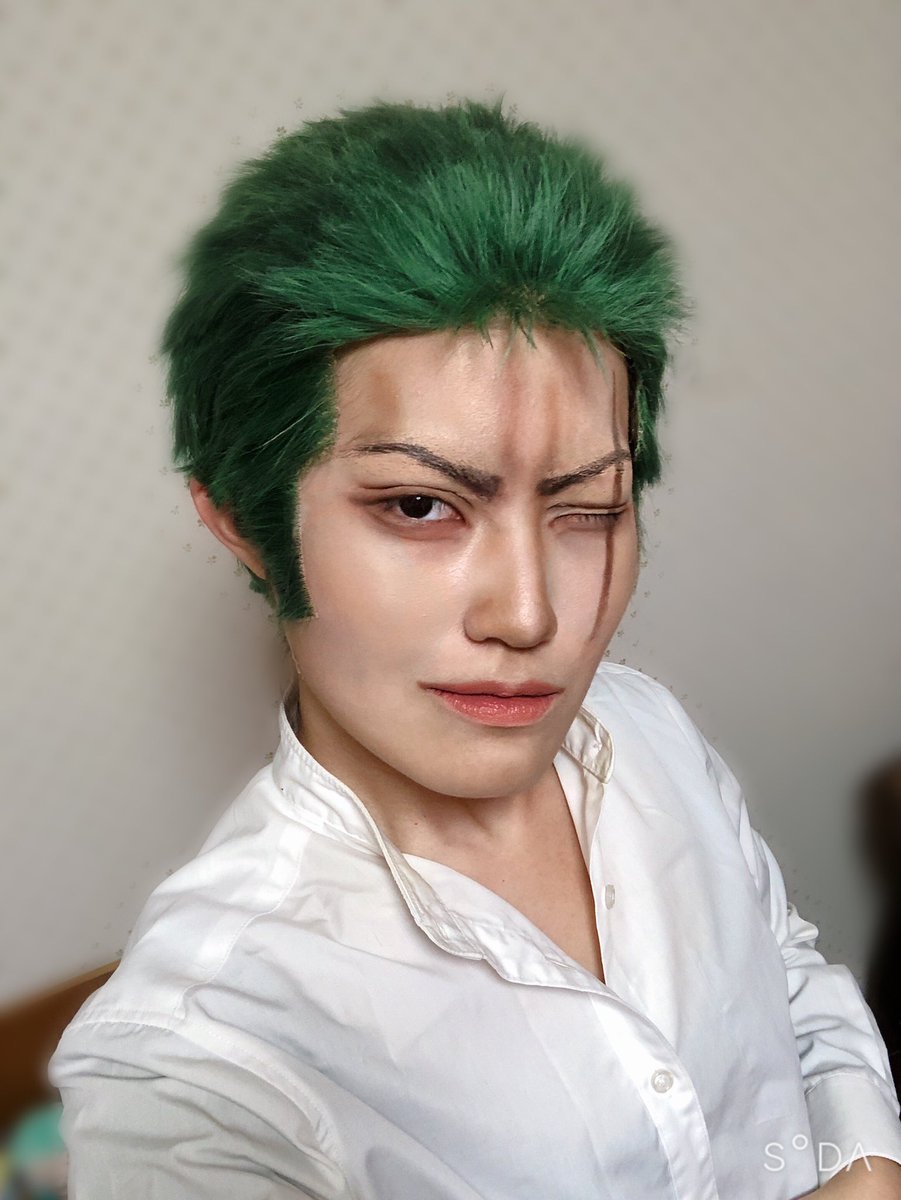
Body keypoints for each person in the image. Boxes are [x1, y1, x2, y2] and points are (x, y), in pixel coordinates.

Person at [47, 96, 901, 1199]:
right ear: (245, 523)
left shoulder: (644, 730)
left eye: (587, 508)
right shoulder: (197, 1064)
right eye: (419, 507)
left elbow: (788, 981)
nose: (531, 616)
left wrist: (863, 1165)